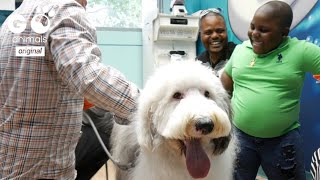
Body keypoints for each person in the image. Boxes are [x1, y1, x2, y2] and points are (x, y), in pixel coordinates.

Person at [0, 0, 139, 179]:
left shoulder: (14, 21)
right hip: (43, 170)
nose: (86, 2)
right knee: (105, 127)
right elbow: (89, 76)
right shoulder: (63, 10)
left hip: (9, 164)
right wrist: (150, 108)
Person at [220, 1, 320, 179]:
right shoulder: (241, 50)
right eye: (252, 27)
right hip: (241, 138)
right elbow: (225, 83)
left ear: (284, 32)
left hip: (282, 141)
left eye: (264, 30)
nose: (254, 34)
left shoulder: (301, 51)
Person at [196, 8, 237, 77]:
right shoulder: (199, 63)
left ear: (226, 32)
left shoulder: (238, 54)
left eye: (220, 31)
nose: (214, 36)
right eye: (208, 32)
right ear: (200, 35)